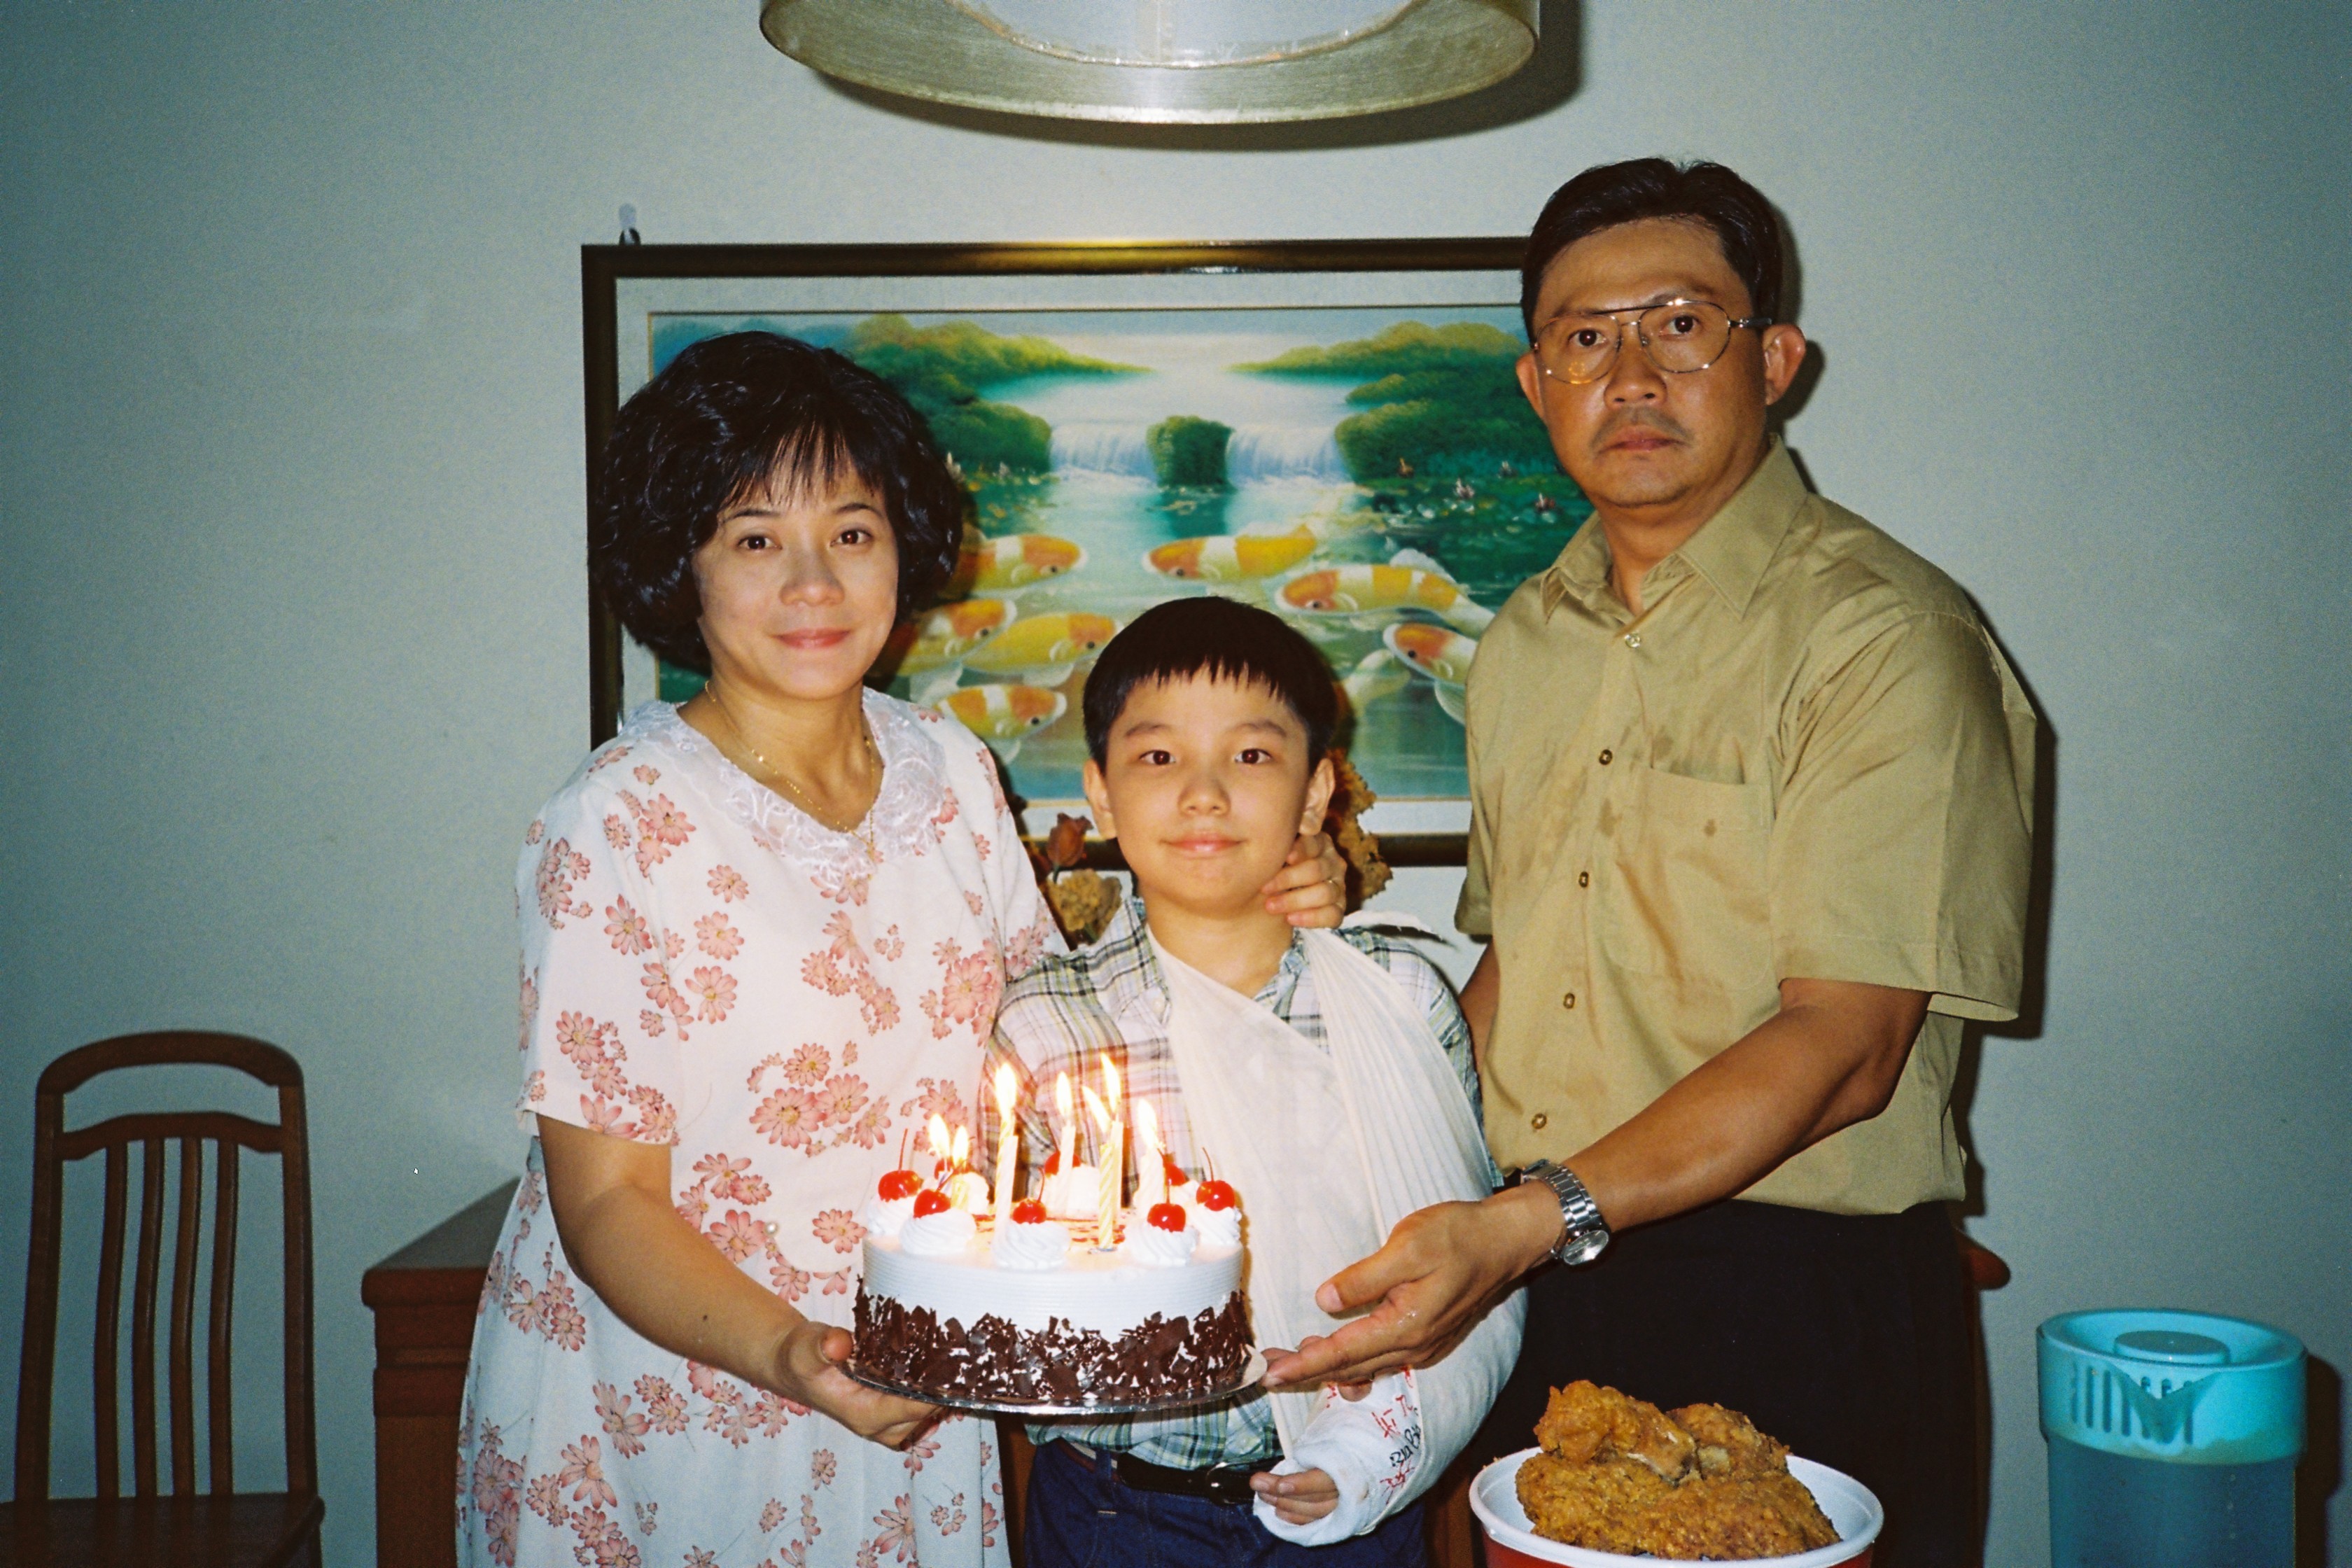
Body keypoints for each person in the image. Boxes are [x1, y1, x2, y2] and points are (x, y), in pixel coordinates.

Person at [456, 332, 1352, 1567]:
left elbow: (1068, 1027)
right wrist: (794, 1353)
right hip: (689, 1395)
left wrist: (1268, 891)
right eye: (757, 538)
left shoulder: (947, 770)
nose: (814, 583)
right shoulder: (619, 821)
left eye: (853, 532)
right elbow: (606, 1199)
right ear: (685, 565)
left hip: (923, 1370)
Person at [1261, 159, 2038, 1567]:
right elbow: (1523, 970)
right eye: (1585, 336)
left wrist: (1525, 1221)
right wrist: (1368, 1158)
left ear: (1777, 359)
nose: (1630, 374)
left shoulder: (1881, 638)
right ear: (1535, 380)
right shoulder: (1523, 646)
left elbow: (1848, 1044)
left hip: (1790, 1287)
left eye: (1682, 324)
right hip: (1539, 1278)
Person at [983, 597, 1522, 1568]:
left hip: (1355, 1493)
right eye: (1157, 758)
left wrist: (1369, 1458)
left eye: (1251, 756)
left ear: (1318, 795)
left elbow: (1466, 1271)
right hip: (1117, 1514)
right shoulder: (1042, 1026)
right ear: (1099, 796)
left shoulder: (1403, 998)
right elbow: (1008, 1297)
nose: (1203, 794)